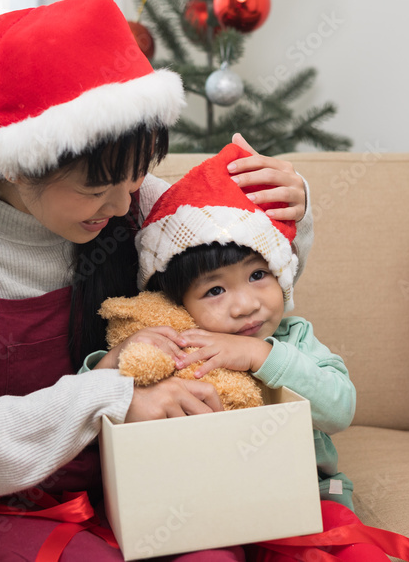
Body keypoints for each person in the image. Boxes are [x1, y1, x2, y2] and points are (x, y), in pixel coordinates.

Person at [0, 0, 314, 561]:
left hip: (125, 482)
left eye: (137, 176)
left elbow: (249, 285)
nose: (122, 206)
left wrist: (294, 210)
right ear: (16, 164)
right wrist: (107, 399)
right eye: (95, 189)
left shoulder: (134, 202)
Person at [87, 143, 356, 510]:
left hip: (307, 490)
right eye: (215, 290)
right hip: (207, 497)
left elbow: (340, 410)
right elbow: (95, 394)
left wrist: (259, 354)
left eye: (258, 275)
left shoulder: (295, 337)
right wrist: (118, 356)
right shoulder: (180, 341)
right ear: (177, 303)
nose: (245, 304)